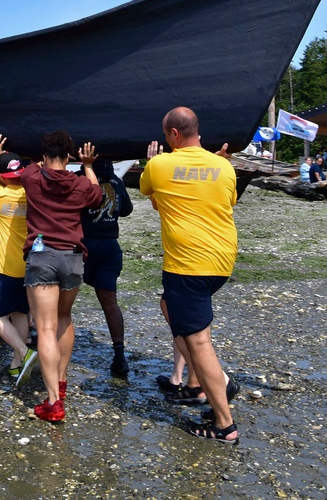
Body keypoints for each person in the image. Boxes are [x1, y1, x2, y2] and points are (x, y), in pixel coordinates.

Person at [140, 107, 241, 444]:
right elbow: (221, 201)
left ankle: (224, 422)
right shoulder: (224, 166)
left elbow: (150, 195)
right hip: (221, 261)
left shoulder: (158, 164)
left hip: (189, 265)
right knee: (171, 306)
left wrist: (157, 160)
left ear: (172, 135)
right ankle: (197, 386)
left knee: (198, 340)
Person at [20, 130, 102, 423]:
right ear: (70, 156)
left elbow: (25, 169)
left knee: (44, 327)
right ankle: (62, 382)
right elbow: (97, 196)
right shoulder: (80, 183)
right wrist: (88, 166)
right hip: (72, 257)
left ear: (44, 156)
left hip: (42, 256)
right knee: (64, 318)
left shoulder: (32, 177)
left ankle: (53, 402)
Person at [0, 135, 39, 386]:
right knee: (20, 313)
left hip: (4, 266)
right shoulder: (32, 194)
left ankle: (25, 353)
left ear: (1, 177)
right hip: (31, 266)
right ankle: (17, 364)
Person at [78, 157, 134, 377]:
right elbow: (127, 209)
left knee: (64, 303)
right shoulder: (116, 181)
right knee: (110, 304)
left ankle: (49, 345)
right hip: (110, 246)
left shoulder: (79, 180)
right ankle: (119, 354)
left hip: (83, 246)